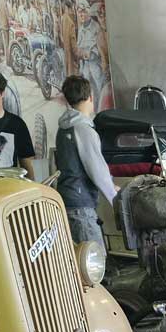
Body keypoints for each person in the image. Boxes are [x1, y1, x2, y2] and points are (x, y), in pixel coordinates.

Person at [55, 74, 116, 247]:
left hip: (67, 200)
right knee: (95, 257)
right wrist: (115, 199)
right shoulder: (84, 129)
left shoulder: (63, 129)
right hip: (81, 207)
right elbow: (97, 170)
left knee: (78, 256)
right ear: (91, 96)